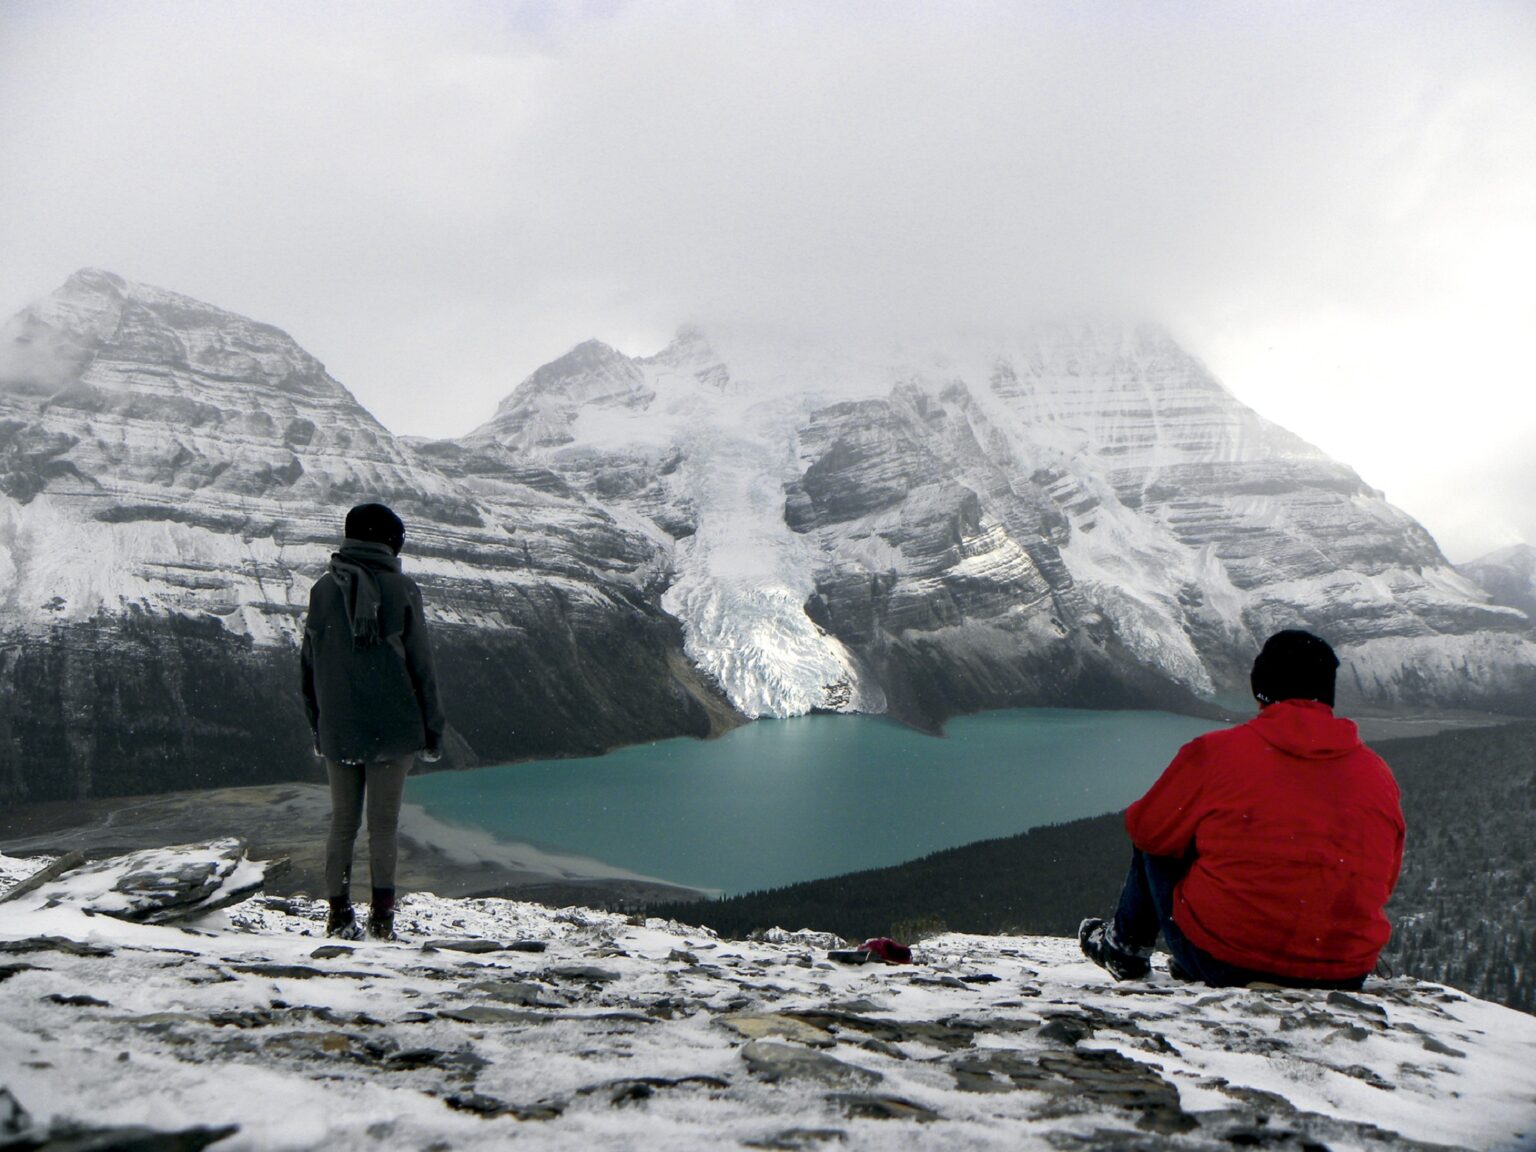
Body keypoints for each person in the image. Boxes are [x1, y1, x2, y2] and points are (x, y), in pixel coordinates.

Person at [1079, 629, 1405, 989]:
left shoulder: (1217, 752)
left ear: (1260, 687)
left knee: (1161, 834)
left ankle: (1123, 949)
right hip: (1344, 972)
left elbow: (1146, 830)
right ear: (1327, 693)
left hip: (1228, 963)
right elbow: (1384, 877)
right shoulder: (1377, 772)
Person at [301, 503, 446, 940]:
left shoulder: (323, 589)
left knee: (342, 822)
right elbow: (421, 666)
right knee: (383, 826)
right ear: (388, 540)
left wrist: (318, 726)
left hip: (339, 729)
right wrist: (432, 729)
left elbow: (310, 665)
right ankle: (382, 920)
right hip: (394, 726)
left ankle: (339, 915)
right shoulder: (401, 588)